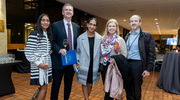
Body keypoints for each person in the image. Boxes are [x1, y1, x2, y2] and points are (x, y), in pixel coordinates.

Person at [50, 3, 81, 100]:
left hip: (71, 62)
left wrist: (78, 59)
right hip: (59, 61)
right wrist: (59, 49)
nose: (68, 11)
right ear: (63, 12)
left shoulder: (77, 27)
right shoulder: (55, 25)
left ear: (73, 13)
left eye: (70, 10)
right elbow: (51, 42)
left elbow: (77, 45)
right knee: (56, 86)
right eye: (66, 10)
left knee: (68, 86)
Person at [124, 15, 155, 100]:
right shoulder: (127, 36)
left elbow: (151, 54)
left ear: (140, 23)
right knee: (128, 87)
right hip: (127, 64)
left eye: (136, 21)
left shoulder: (146, 35)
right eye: (132, 21)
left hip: (137, 64)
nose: (133, 23)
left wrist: (148, 69)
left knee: (136, 88)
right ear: (129, 23)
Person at [25, 13, 52, 100]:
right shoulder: (34, 33)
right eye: (43, 20)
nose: (46, 22)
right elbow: (28, 52)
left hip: (47, 65)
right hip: (39, 64)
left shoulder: (47, 34)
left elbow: (47, 50)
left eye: (47, 20)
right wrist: (39, 64)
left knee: (44, 87)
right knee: (43, 87)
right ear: (39, 22)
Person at [100, 19, 127, 100]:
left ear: (116, 27)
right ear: (107, 27)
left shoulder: (119, 40)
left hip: (114, 67)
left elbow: (124, 54)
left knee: (111, 90)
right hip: (104, 66)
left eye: (113, 26)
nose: (111, 28)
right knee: (107, 88)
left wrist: (115, 60)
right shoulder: (103, 39)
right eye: (110, 26)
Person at [75, 17, 102, 100]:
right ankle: (86, 99)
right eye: (90, 24)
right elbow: (77, 51)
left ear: (96, 27)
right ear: (87, 24)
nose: (92, 26)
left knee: (90, 83)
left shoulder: (100, 38)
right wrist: (77, 60)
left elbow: (102, 53)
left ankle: (86, 98)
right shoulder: (80, 38)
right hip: (84, 63)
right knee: (84, 83)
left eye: (94, 25)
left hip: (94, 64)